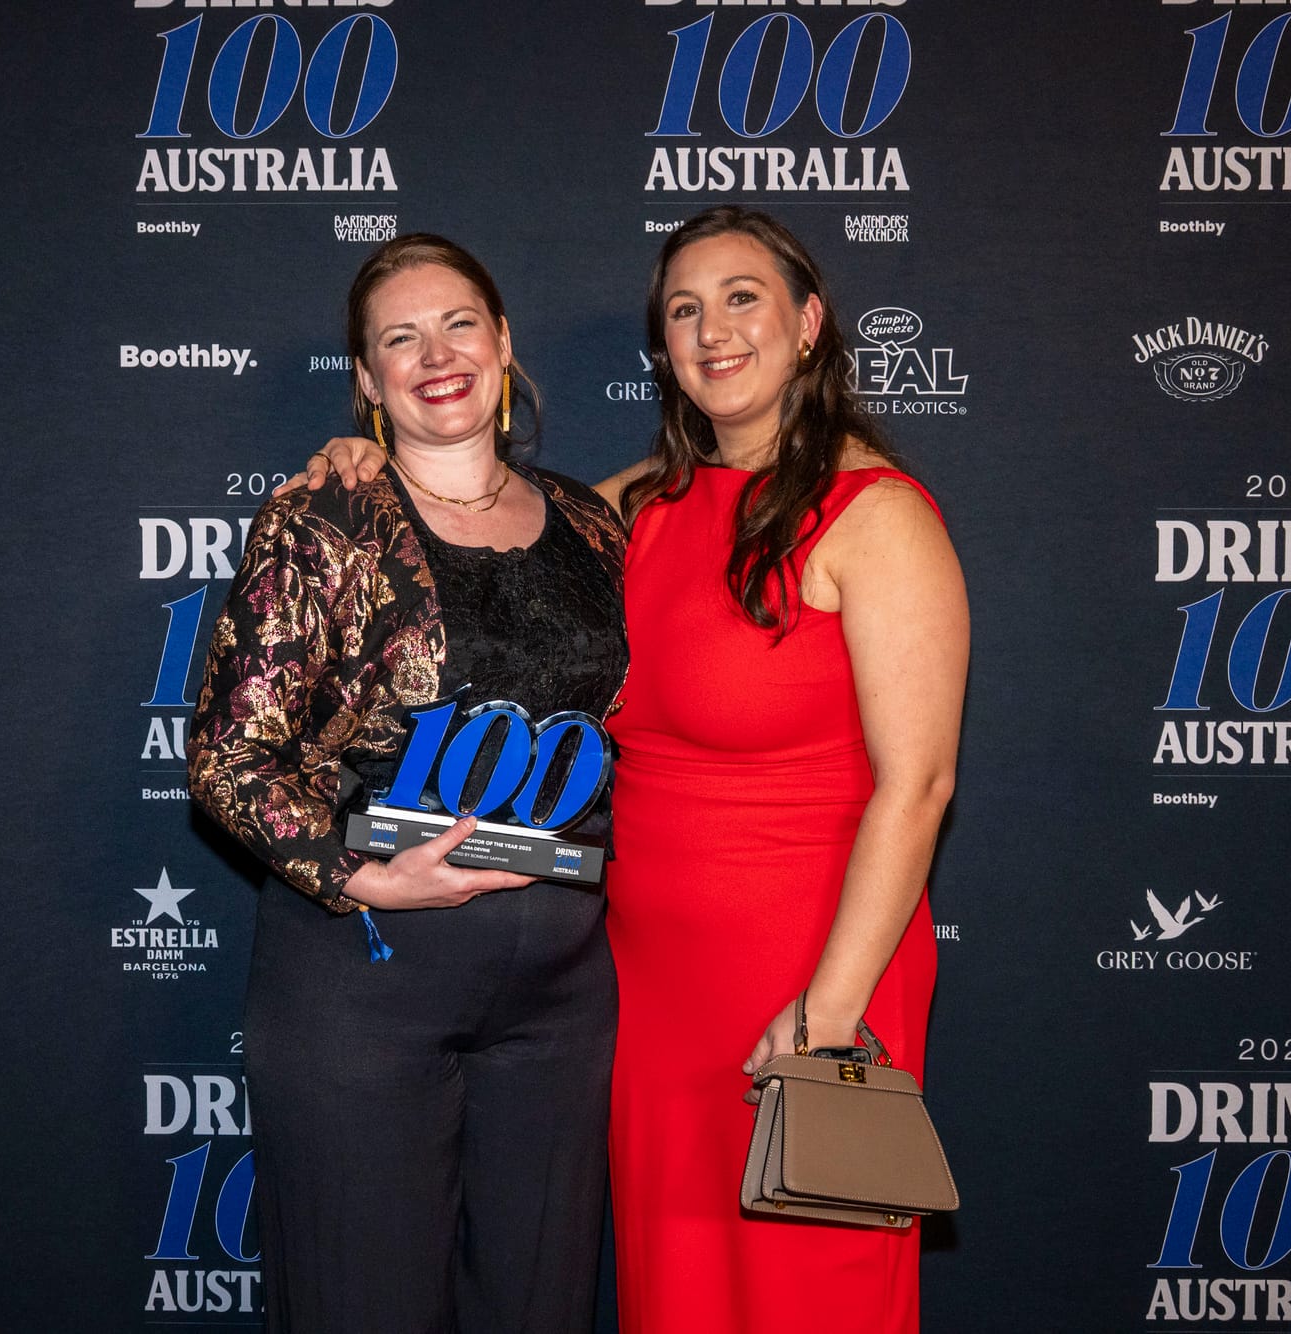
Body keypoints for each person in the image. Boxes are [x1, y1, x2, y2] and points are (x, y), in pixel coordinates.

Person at [291, 206, 967, 1334]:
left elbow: (921, 785)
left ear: (807, 324)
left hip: (810, 967)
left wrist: (828, 1010)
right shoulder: (628, 509)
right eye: (683, 309)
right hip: (641, 987)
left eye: (741, 297)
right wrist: (357, 453)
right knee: (678, 1294)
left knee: (808, 1291)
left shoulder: (877, 514)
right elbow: (470, 511)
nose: (711, 330)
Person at [187, 234, 630, 1334]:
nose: (436, 353)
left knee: (541, 1303)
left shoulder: (592, 520)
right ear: (367, 379)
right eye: (400, 337)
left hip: (562, 999)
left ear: (503, 344)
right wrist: (356, 875)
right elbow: (228, 757)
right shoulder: (323, 518)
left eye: (458, 323)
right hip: (365, 981)